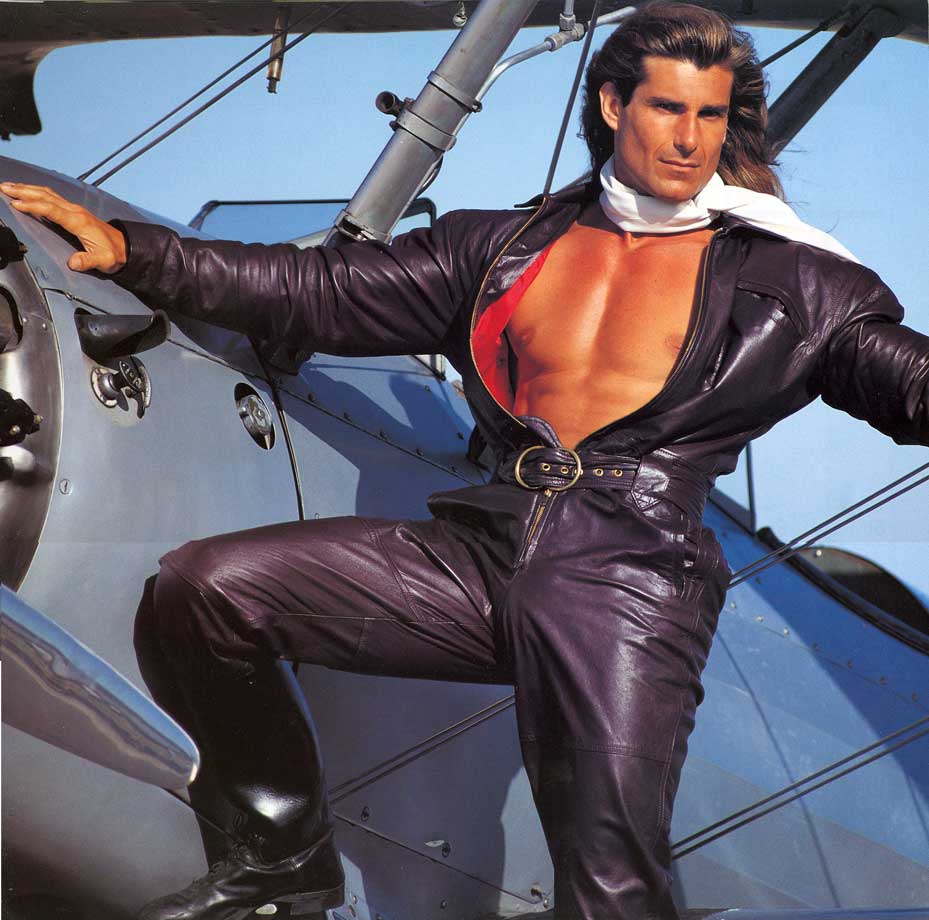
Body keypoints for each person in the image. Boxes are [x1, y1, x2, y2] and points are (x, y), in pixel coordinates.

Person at [3, 3, 927, 918]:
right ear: (614, 105)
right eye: (667, 108)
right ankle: (282, 853)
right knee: (208, 590)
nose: (689, 139)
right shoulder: (501, 246)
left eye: (710, 115)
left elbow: (909, 383)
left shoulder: (795, 280)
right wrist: (137, 253)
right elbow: (319, 291)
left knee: (608, 884)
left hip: (628, 577)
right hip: (484, 549)